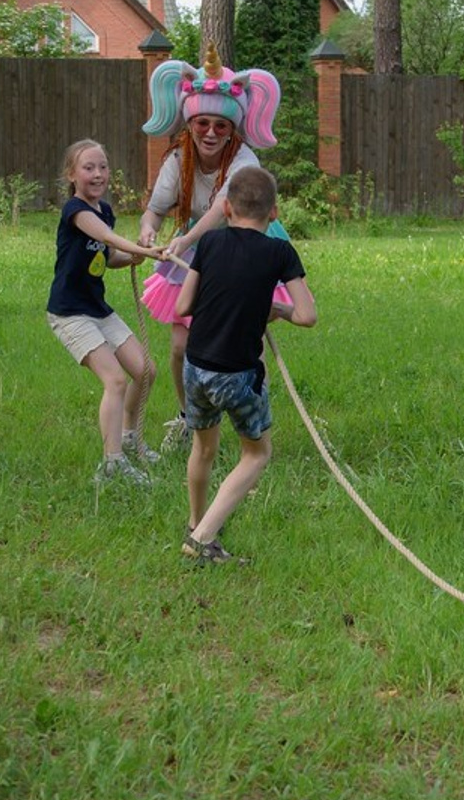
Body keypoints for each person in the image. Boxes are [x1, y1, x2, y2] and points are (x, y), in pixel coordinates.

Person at [137, 43, 282, 454]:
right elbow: (155, 210)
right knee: (182, 346)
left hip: (244, 253)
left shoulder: (245, 160)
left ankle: (253, 422)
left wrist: (187, 238)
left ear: (232, 127)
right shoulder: (178, 159)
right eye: (203, 123)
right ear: (190, 123)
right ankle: (190, 418)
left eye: (221, 125)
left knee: (244, 346)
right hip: (196, 257)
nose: (212, 133)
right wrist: (149, 231)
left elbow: (224, 209)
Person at [174, 165, 317, 564]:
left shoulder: (211, 244)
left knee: (203, 449)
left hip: (195, 367)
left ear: (227, 208)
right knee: (256, 455)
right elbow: (306, 315)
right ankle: (202, 538)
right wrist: (277, 310)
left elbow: (184, 306)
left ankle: (195, 523)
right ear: (274, 214)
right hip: (237, 375)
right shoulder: (280, 251)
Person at [46, 139, 164, 485]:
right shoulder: (75, 211)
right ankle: (112, 465)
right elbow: (107, 238)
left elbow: (108, 256)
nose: (98, 174)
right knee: (115, 379)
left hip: (97, 308)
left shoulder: (105, 210)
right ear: (72, 174)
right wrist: (149, 249)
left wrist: (135, 257)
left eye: (103, 167)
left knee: (145, 370)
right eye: (88, 168)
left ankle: (129, 437)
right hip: (70, 312)